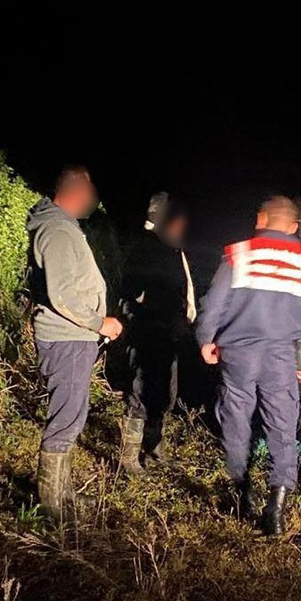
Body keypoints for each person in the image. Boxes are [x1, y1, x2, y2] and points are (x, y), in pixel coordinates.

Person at [196, 195, 301, 534]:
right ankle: (276, 509)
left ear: (262, 218)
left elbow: (212, 306)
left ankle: (241, 495)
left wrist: (205, 340)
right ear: (292, 225)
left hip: (237, 355)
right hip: (282, 358)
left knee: (236, 421)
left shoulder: (239, 254)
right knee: (282, 428)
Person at [26, 166, 123, 519]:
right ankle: (52, 507)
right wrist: (100, 322)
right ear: (76, 189)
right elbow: (63, 295)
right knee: (65, 417)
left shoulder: (62, 227)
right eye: (90, 188)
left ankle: (63, 497)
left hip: (73, 337)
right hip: (66, 338)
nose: (94, 197)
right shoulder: (57, 230)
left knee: (72, 415)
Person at [117, 192, 197, 472]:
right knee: (141, 393)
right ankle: (129, 458)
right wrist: (153, 320)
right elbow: (130, 294)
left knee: (163, 394)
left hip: (167, 334)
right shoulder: (148, 247)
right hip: (150, 334)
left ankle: (154, 449)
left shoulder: (169, 247)